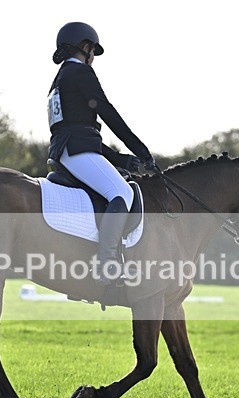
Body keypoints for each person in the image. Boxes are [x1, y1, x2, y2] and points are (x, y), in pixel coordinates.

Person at [47, 21, 156, 285]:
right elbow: (107, 112)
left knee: (116, 185)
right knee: (122, 193)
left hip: (66, 150)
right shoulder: (81, 72)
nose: (93, 57)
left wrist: (120, 159)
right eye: (93, 51)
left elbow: (77, 128)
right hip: (76, 150)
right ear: (85, 47)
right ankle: (107, 264)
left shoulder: (58, 80)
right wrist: (142, 151)